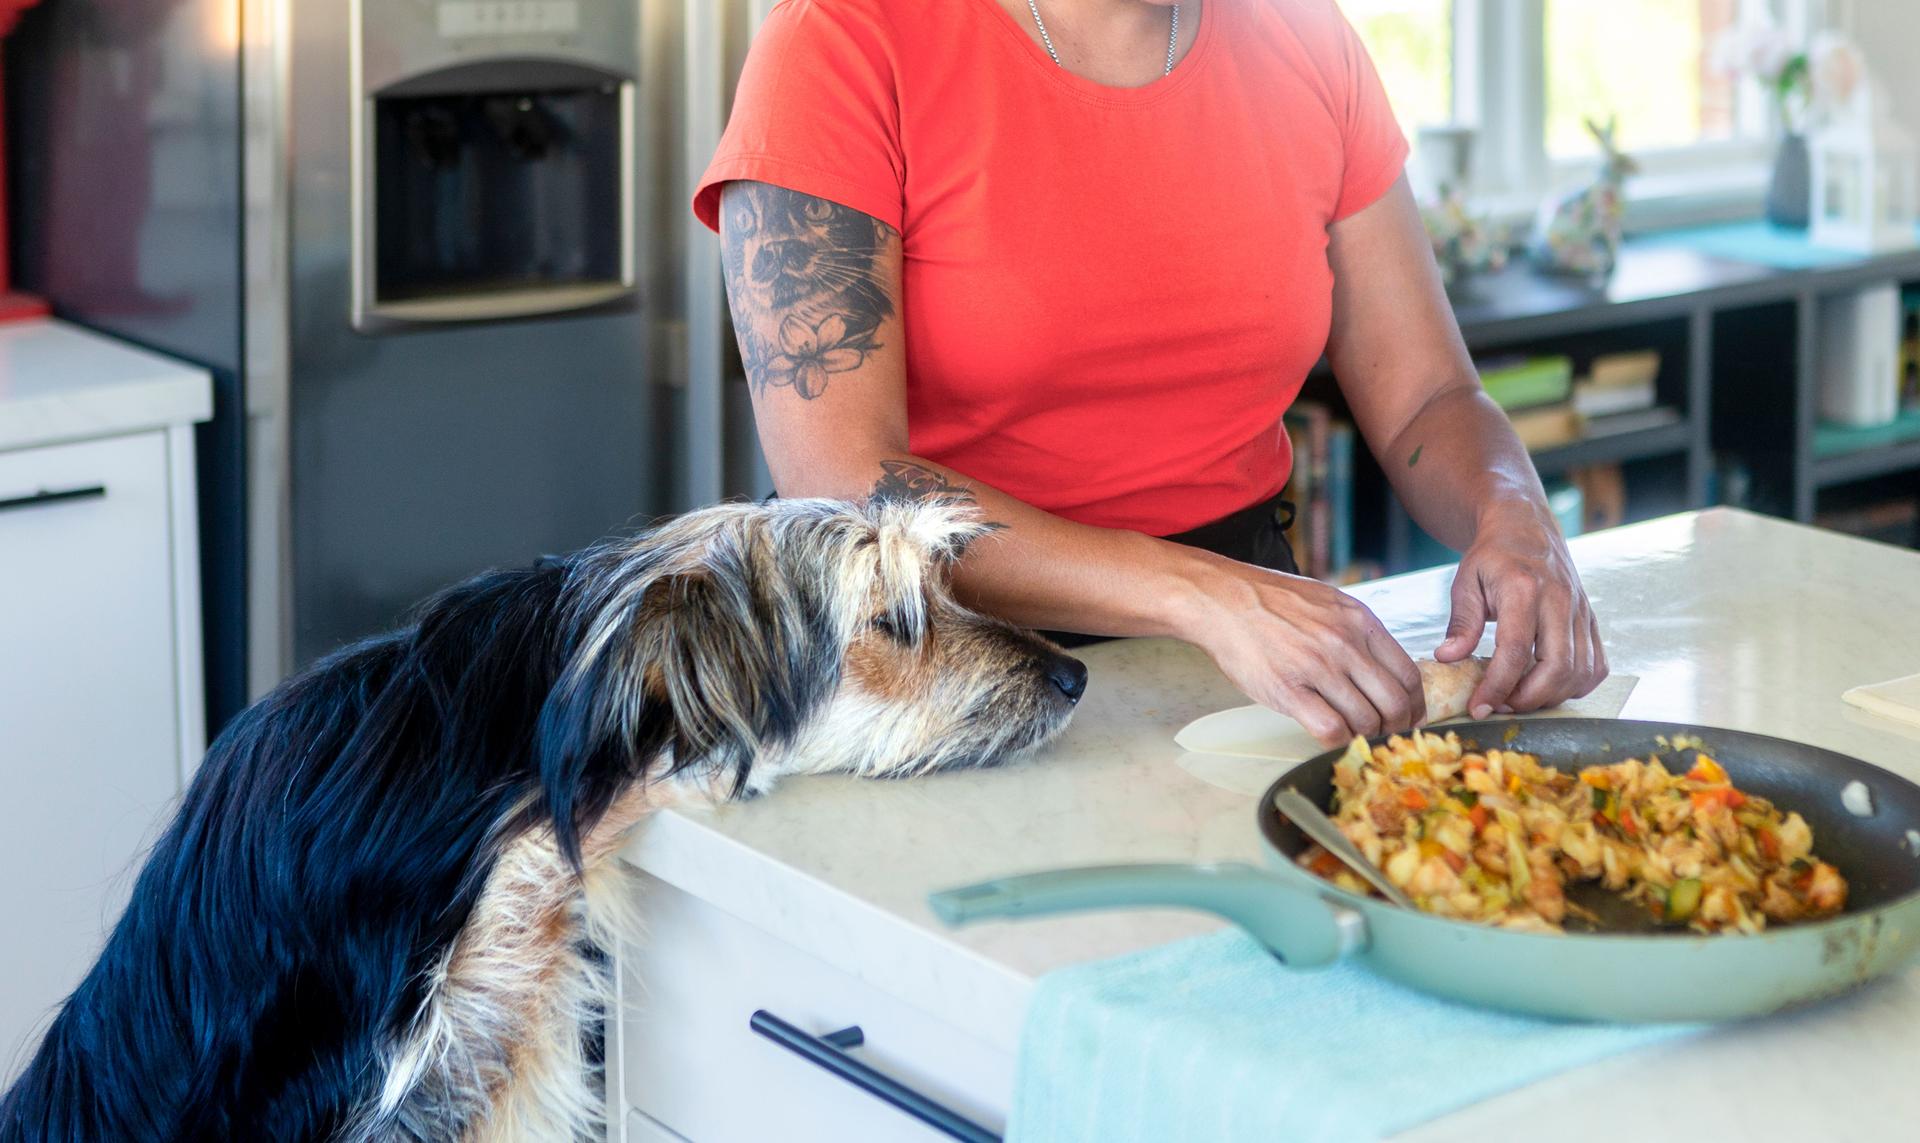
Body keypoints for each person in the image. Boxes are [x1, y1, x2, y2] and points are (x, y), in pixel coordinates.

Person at [693, 0, 1607, 745]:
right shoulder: (839, 44)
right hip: (928, 665)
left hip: (1241, 656)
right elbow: (838, 480)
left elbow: (1429, 398)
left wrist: (1513, 513)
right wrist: (1194, 592)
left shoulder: (1309, 40)